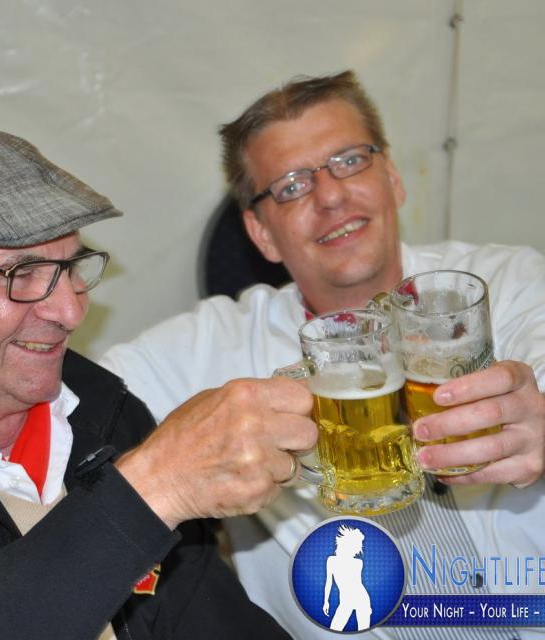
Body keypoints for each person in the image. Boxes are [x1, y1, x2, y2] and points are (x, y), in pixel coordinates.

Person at [100, 71, 545, 639]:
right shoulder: (212, 347)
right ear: (261, 233)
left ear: (393, 178)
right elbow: (66, 404)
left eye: (350, 161)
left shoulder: (505, 283)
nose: (331, 196)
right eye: (291, 186)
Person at [0, 122, 318, 640]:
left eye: (71, 267)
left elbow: (212, 621)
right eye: (22, 275)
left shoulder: (108, 415)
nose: (70, 311)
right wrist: (152, 488)